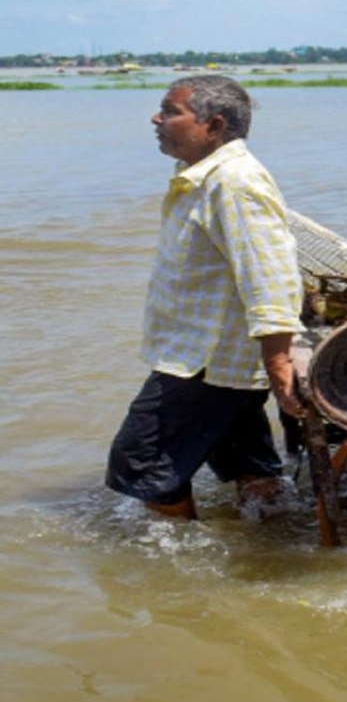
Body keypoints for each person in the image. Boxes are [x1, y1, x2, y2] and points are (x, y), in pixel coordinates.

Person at [105, 75, 305, 519]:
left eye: (171, 111)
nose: (156, 119)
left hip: (207, 360)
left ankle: (178, 568)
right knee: (241, 457)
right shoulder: (205, 176)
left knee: (141, 462)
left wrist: (278, 365)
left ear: (214, 126)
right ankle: (277, 534)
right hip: (212, 355)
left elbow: (271, 275)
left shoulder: (233, 181)